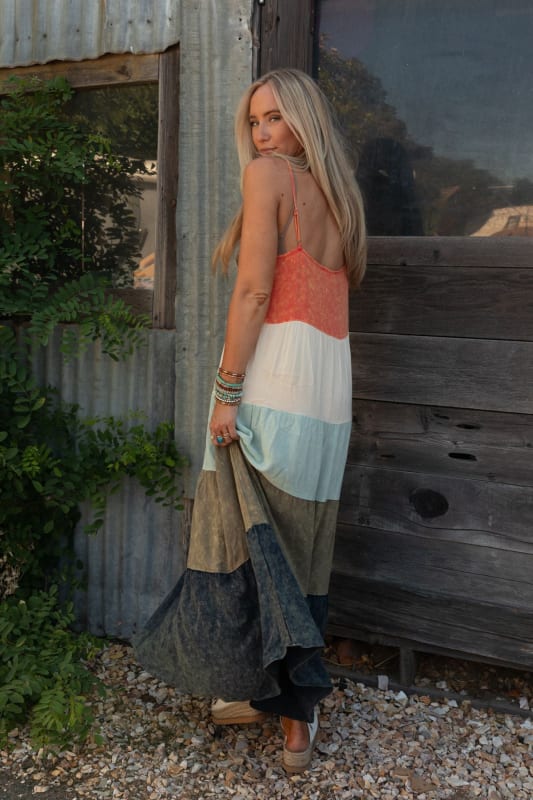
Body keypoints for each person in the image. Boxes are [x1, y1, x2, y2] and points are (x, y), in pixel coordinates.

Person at [134, 68, 366, 773]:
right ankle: (295, 720)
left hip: (276, 377)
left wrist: (227, 389)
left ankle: (253, 684)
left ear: (303, 120)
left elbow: (255, 291)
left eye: (274, 118)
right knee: (301, 546)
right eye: (255, 122)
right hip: (328, 387)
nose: (262, 134)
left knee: (239, 533)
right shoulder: (341, 196)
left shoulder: (269, 177)